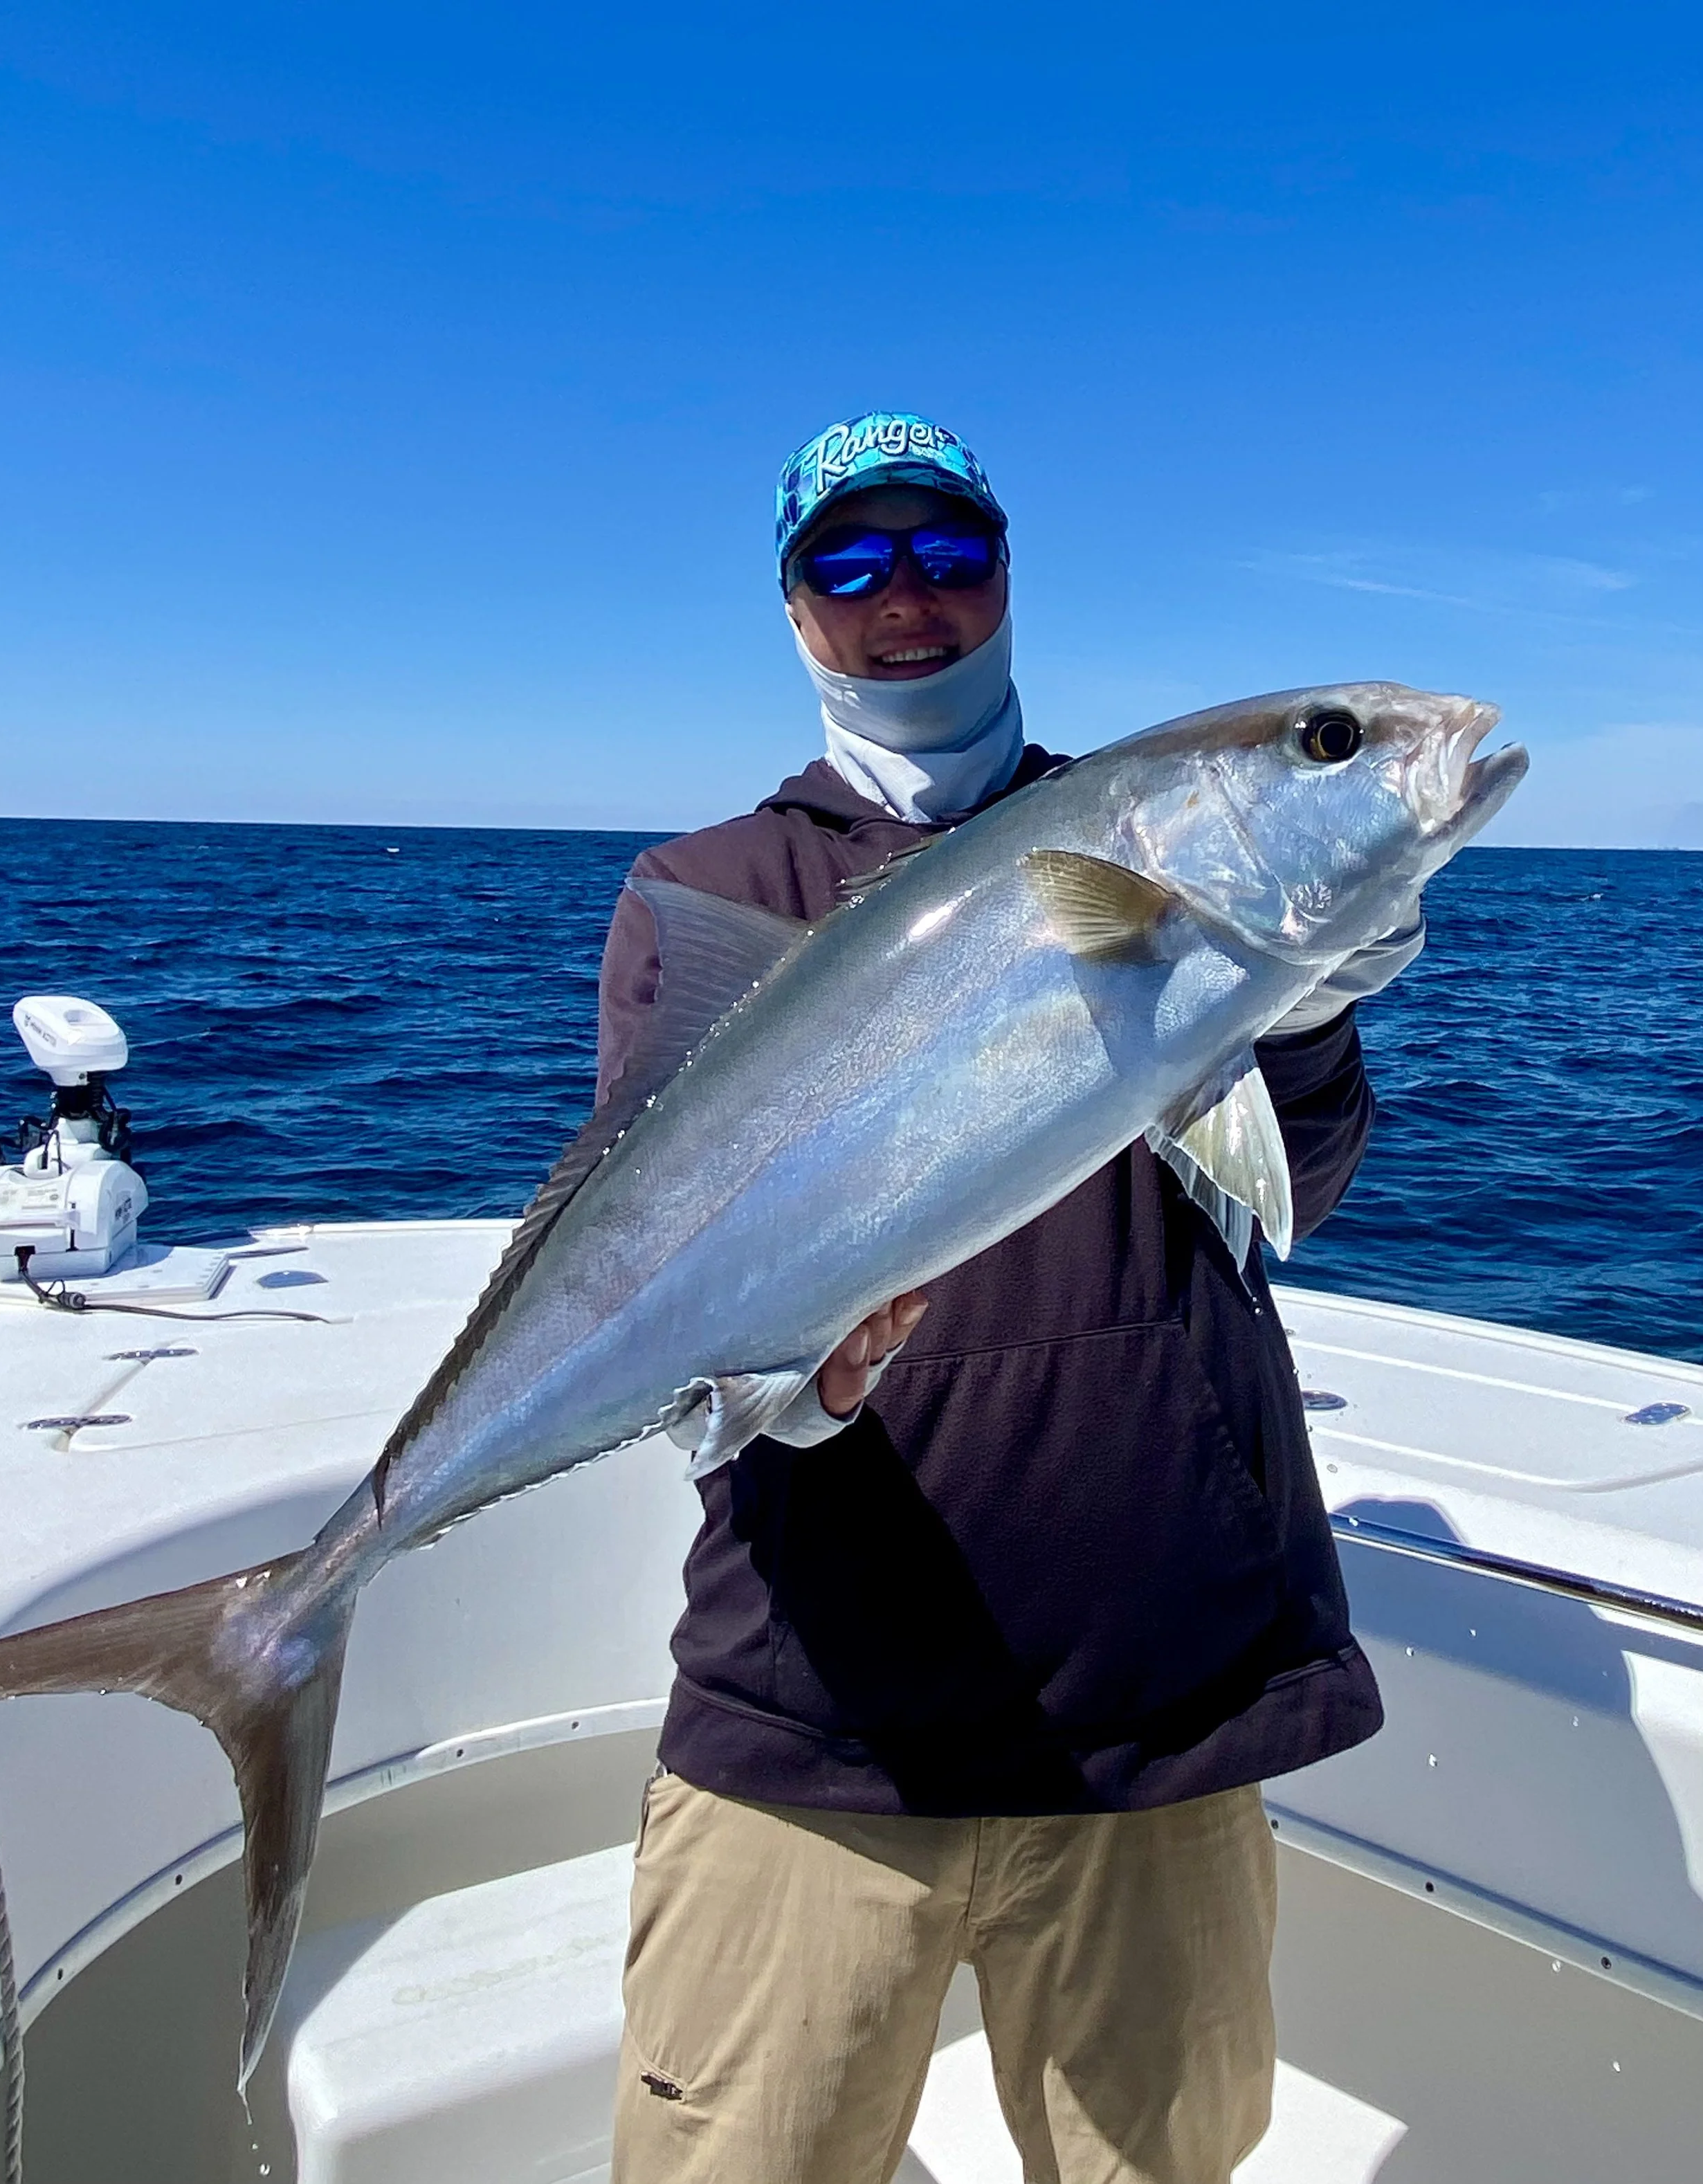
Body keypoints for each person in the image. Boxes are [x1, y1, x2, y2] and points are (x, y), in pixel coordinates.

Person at [600, 412, 1421, 2184]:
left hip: (1162, 1712)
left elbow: (1291, 1194)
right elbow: (654, 1313)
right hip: (812, 1726)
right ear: (793, 608)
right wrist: (779, 1394)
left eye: (947, 551)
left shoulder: (1142, 833)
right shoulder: (706, 892)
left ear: (1004, 575)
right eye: (847, 560)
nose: (903, 597)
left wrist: (1299, 1007)